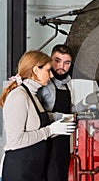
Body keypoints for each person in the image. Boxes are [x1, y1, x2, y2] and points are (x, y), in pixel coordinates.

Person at [0, 50, 76, 181]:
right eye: (48, 70)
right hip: (20, 170)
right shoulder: (18, 96)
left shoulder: (32, 95)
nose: (51, 75)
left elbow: (40, 119)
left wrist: (64, 119)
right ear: (36, 70)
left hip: (33, 167)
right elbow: (16, 141)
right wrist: (51, 130)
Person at [38, 44, 99, 181]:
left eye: (66, 63)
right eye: (57, 61)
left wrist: (85, 103)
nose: (61, 66)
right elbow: (39, 116)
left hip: (64, 141)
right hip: (46, 141)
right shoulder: (43, 85)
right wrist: (69, 117)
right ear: (50, 60)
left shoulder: (66, 84)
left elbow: (68, 109)